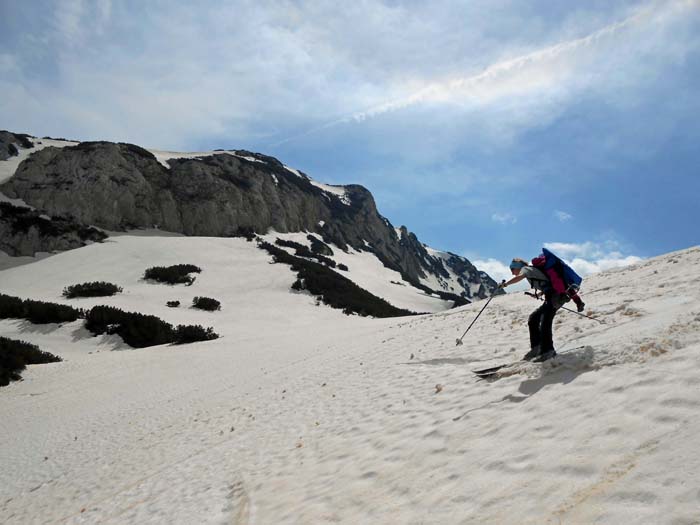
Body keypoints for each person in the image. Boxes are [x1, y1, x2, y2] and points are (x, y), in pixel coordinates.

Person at [499, 258, 570, 362]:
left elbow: (519, 277)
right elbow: (547, 283)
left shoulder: (525, 269)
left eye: (512, 269)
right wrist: (541, 293)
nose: (512, 272)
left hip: (556, 296)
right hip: (553, 297)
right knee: (534, 319)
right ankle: (537, 348)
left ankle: (548, 351)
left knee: (545, 321)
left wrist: (505, 284)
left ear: (517, 266)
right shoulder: (531, 271)